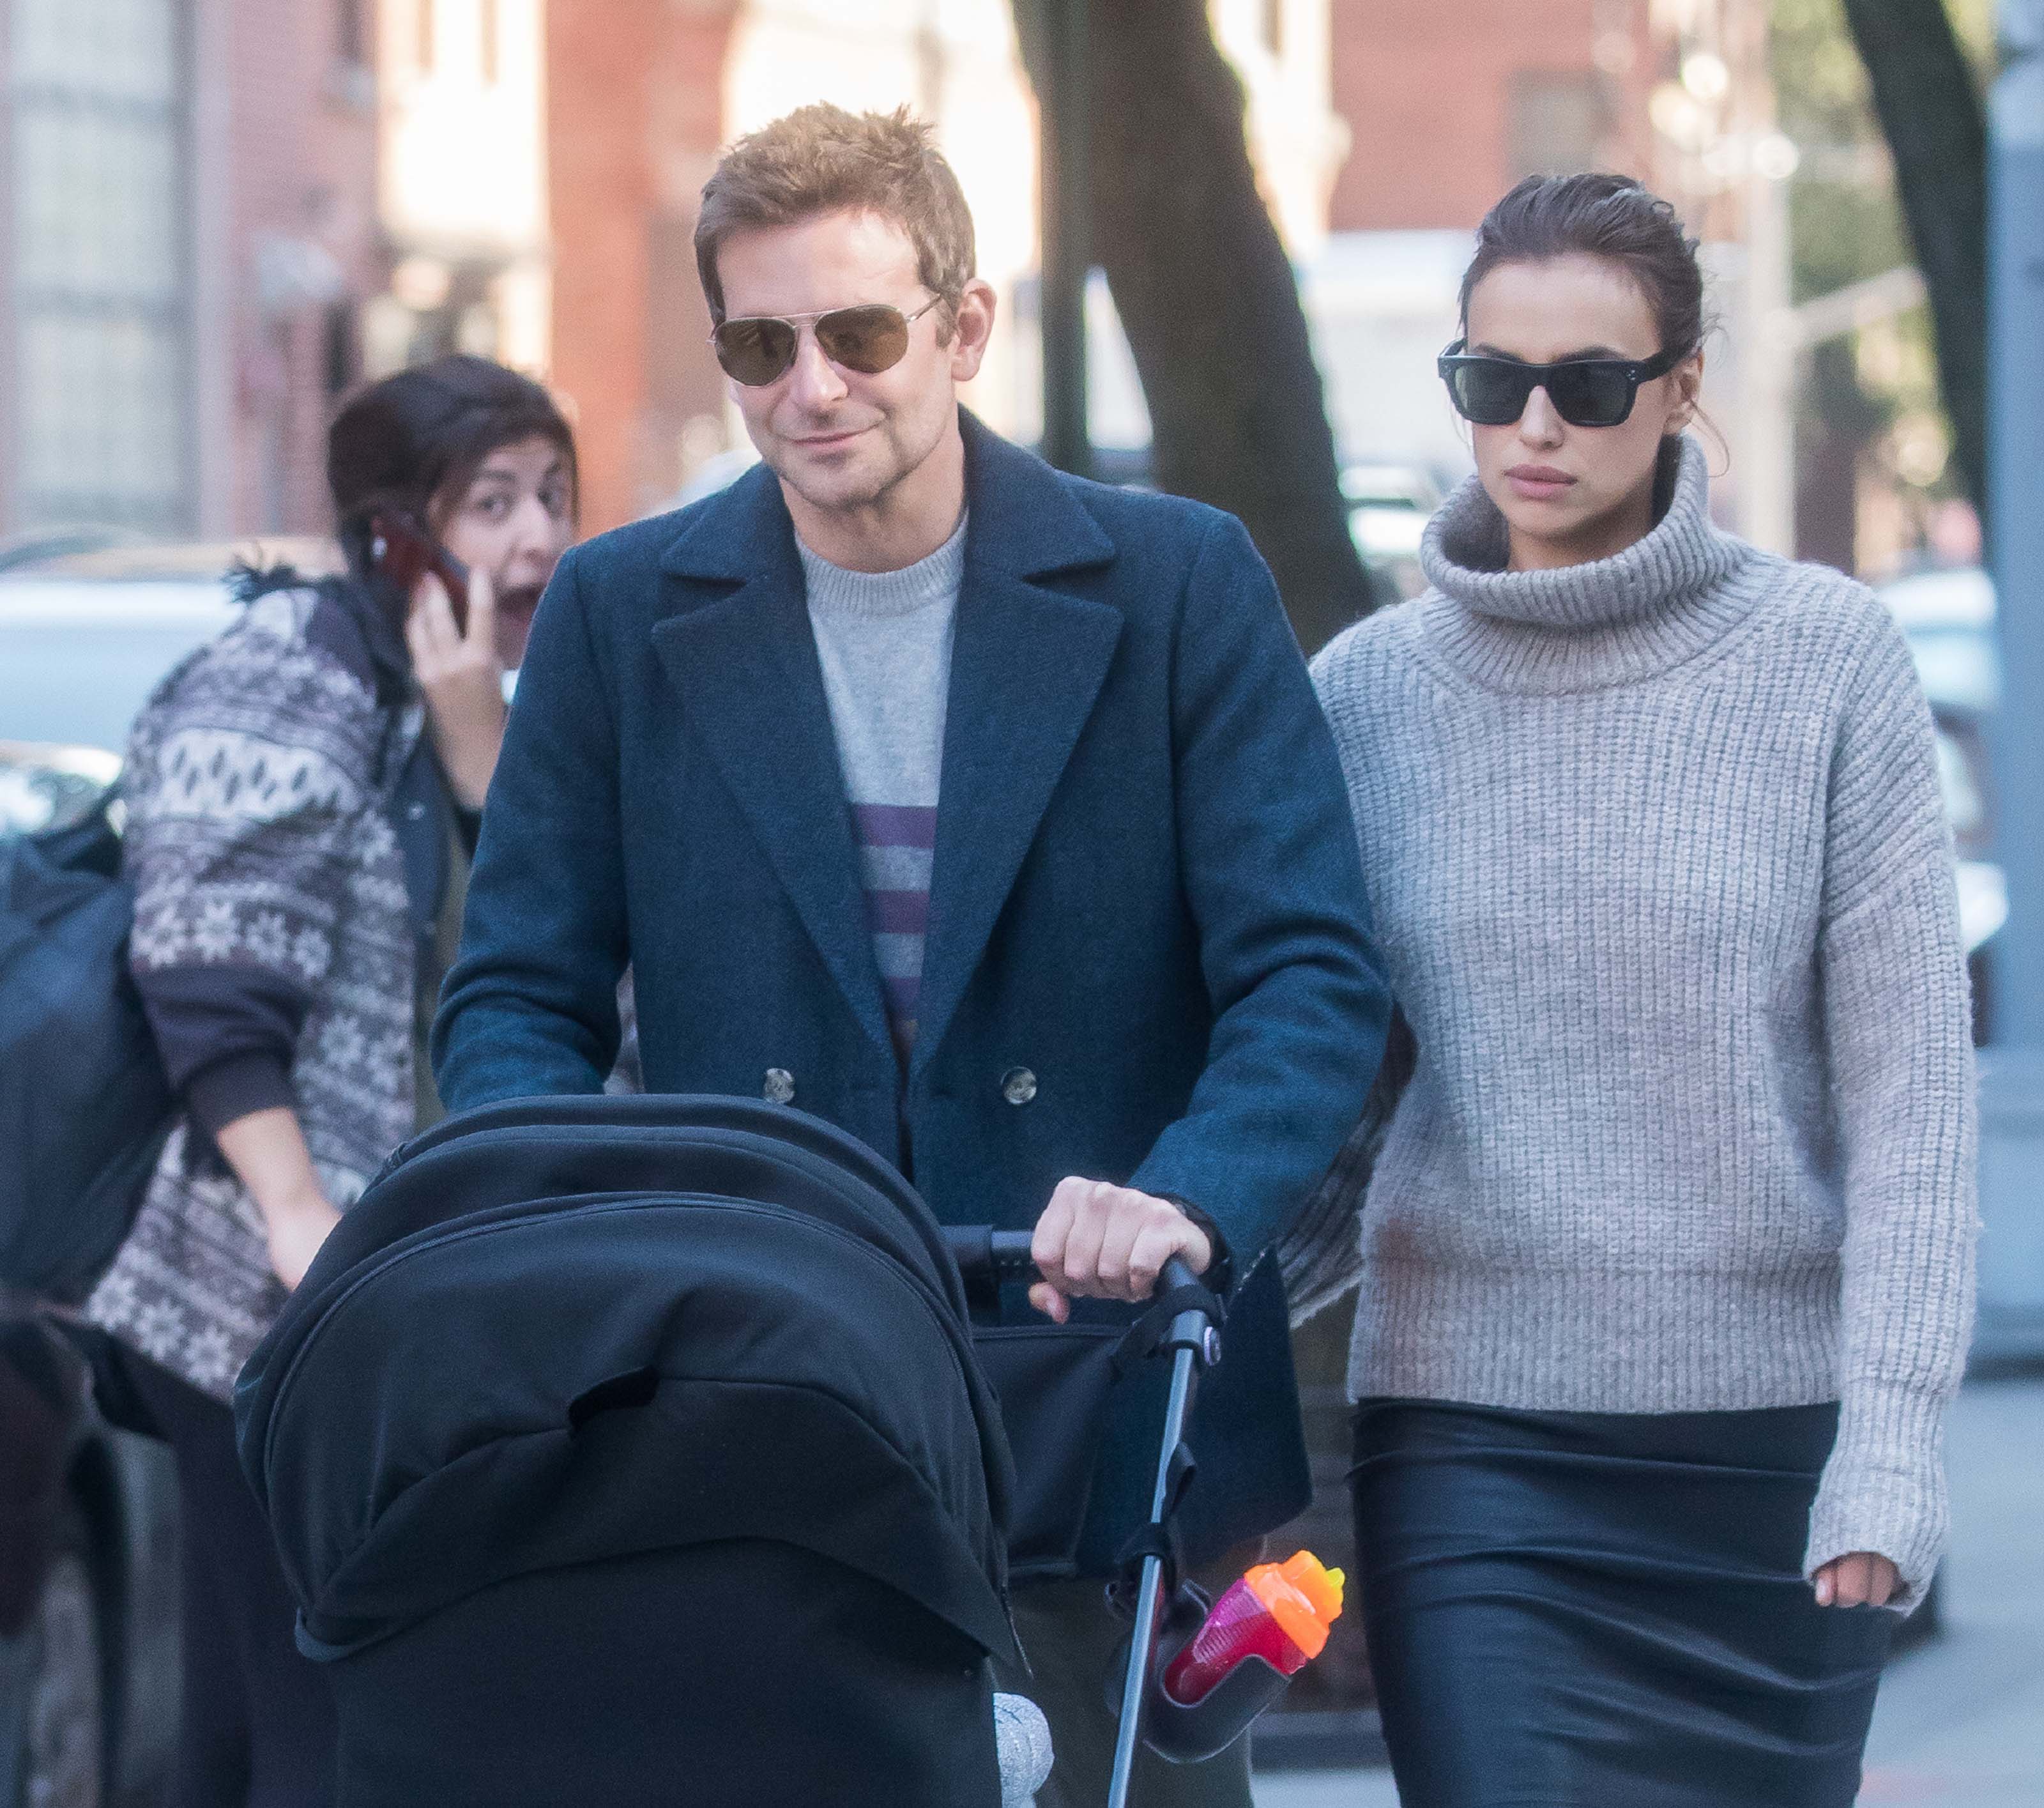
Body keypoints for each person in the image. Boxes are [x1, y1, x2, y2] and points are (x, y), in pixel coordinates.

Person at [432, 103, 1390, 1807]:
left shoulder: (1174, 583)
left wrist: (1181, 1194)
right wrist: (594, 1237)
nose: (813, 387)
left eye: (861, 333)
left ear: (962, 326)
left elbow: (1313, 971)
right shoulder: (621, 612)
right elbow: (516, 998)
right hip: (757, 1416)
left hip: (1104, 1421)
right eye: (760, 341)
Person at [1288, 172, 1977, 1808]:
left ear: (1679, 393)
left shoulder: (1826, 660)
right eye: (1489, 381)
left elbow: (1910, 1097)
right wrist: (1180, 1275)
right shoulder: (1366, 696)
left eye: (1590, 385)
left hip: (1770, 1462)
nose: (1535, 425)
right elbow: (1327, 1088)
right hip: (1473, 1450)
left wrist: (1890, 1439)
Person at [82, 354, 577, 1807]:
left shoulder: (458, 700)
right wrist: (296, 1210)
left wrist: (481, 738)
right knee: (334, 1711)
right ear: (391, 533)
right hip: (253, 1280)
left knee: (244, 1714)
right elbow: (208, 969)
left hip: (365, 1282)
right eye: (490, 502)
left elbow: (547, 962)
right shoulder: (282, 672)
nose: (538, 537)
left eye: (553, 493)